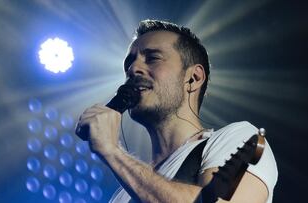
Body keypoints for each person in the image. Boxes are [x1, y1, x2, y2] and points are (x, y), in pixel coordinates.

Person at [76, 19, 278, 203]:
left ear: (194, 78)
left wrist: (113, 152)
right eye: (129, 63)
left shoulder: (243, 139)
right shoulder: (122, 196)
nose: (133, 69)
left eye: (152, 58)